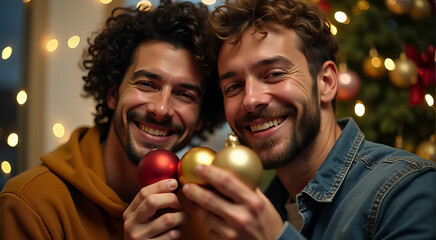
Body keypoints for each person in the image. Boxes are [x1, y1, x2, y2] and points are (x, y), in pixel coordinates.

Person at [182, 0, 436, 239]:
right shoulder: (254, 211)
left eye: (274, 74)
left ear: (326, 82)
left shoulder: (406, 191)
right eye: (234, 86)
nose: (250, 99)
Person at [0, 1, 224, 239]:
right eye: (147, 84)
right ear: (112, 93)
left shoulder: (204, 211)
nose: (161, 108)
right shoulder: (30, 204)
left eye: (184, 94)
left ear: (201, 117)